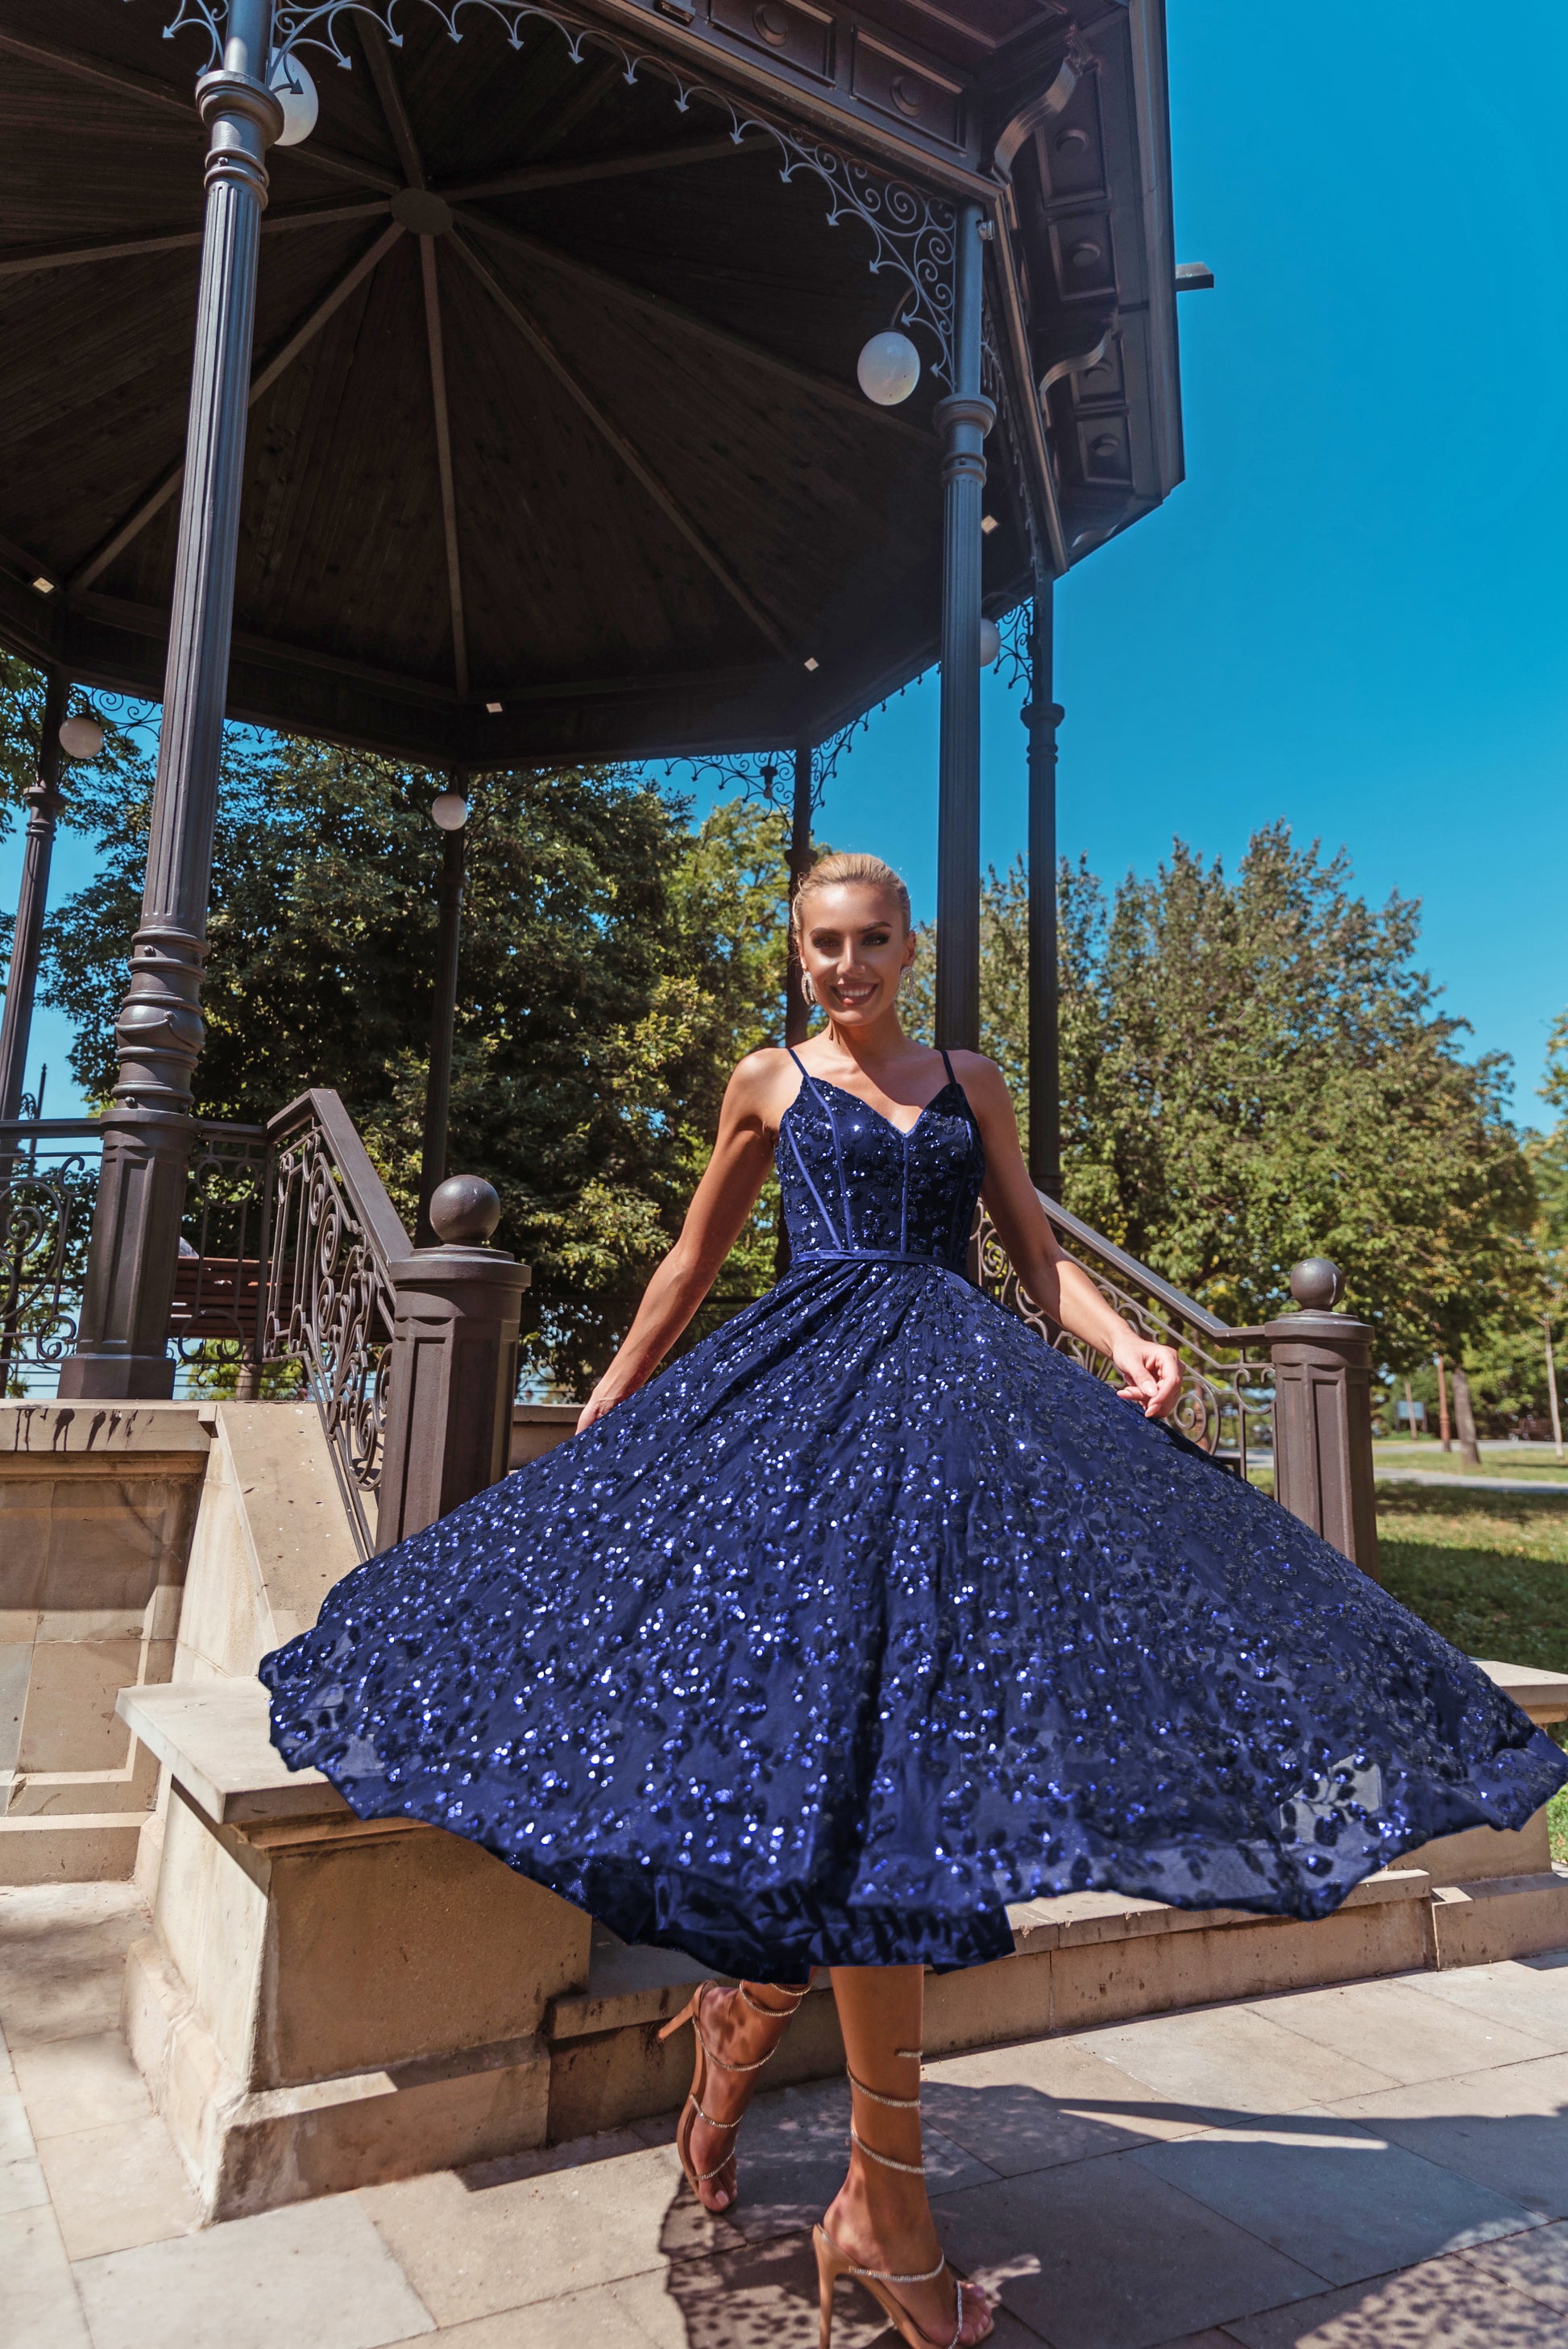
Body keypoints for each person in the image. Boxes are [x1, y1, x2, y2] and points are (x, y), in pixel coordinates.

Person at [262, 851, 1568, 2349]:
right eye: (823, 944)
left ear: (910, 945)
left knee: (897, 1778)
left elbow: (1029, 1250)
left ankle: (818, 2118)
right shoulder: (766, 1080)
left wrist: (1126, 1339)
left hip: (956, 1433)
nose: (847, 965)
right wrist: (612, 1407)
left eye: (871, 941)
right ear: (797, 950)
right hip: (802, 1425)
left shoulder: (969, 1078)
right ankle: (796, 2090)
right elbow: (691, 1263)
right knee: (803, 1763)